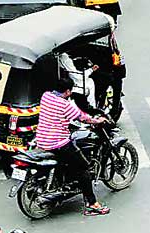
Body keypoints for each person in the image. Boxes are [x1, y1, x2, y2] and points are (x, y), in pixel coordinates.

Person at [34, 77, 110, 216]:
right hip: (57, 143)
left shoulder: (46, 96)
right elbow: (82, 117)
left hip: (41, 140)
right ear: (68, 91)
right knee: (83, 168)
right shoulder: (65, 105)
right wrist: (97, 120)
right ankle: (92, 204)